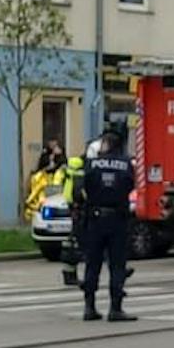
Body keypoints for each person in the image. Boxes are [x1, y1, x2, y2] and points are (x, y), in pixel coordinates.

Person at [74, 121, 136, 321]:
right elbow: (129, 186)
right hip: (117, 219)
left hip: (95, 218)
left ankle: (89, 307)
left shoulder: (91, 164)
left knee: (93, 264)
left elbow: (81, 190)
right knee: (117, 265)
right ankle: (115, 309)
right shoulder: (126, 164)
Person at [59, 144, 88, 292]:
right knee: (77, 241)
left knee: (73, 240)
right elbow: (79, 189)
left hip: (71, 204)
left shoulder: (74, 163)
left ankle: (69, 274)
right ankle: (72, 275)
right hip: (78, 206)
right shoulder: (82, 167)